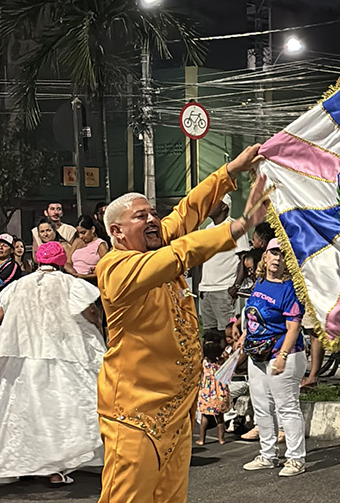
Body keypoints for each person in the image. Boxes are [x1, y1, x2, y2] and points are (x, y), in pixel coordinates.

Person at [95, 145, 266, 503]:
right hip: (135, 415)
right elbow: (180, 253)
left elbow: (188, 211)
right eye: (141, 217)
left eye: (153, 214)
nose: (153, 220)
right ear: (117, 231)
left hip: (176, 411)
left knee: (171, 498)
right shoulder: (115, 268)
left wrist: (231, 170)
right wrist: (238, 227)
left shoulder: (154, 244)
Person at [0, 241, 105, 486]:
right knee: (60, 410)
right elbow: (91, 312)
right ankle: (56, 466)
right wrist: (97, 328)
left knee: (27, 410)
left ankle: (27, 462)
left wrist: (26, 322)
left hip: (27, 356)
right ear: (61, 260)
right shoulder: (71, 284)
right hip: (64, 353)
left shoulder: (20, 285)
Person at [239, 238, 307, 476]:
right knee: (261, 407)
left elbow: (294, 327)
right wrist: (244, 335)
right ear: (264, 257)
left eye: (282, 254)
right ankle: (267, 455)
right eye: (273, 253)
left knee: (287, 407)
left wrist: (283, 356)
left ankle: (296, 459)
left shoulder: (290, 288)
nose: (277, 258)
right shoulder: (259, 283)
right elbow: (252, 315)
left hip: (282, 353)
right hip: (256, 353)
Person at [199, 194, 248, 332]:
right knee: (210, 333)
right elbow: (202, 260)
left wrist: (236, 286)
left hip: (223, 289)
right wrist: (200, 286)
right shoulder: (207, 229)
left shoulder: (234, 227)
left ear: (223, 206)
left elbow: (243, 259)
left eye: (213, 202)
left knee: (227, 333)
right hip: (206, 290)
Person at [196, 332, 230, 446]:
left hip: (206, 393)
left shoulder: (204, 363)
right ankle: (221, 439)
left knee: (205, 416)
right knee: (220, 417)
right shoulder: (222, 361)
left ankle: (201, 439)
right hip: (220, 393)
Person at [65, 215, 109, 282]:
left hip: (90, 282)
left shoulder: (100, 244)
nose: (81, 236)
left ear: (92, 230)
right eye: (78, 233)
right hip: (73, 279)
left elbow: (106, 269)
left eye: (83, 233)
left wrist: (85, 277)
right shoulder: (77, 242)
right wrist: (74, 273)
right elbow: (68, 262)